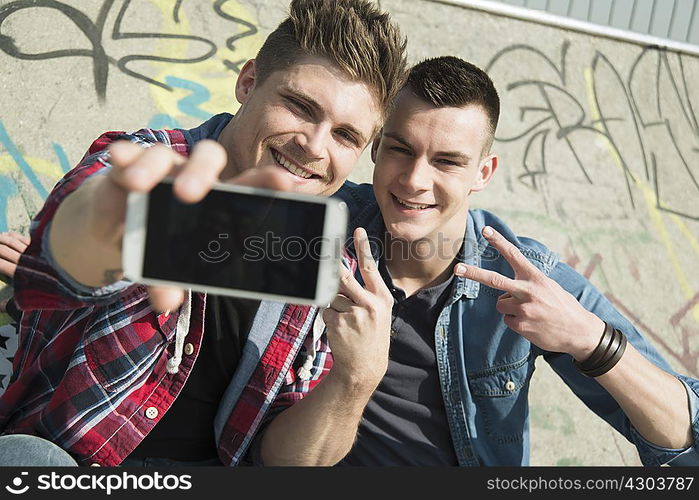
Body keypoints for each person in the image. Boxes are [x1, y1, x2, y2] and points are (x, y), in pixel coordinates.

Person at [0, 0, 407, 466]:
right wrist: (104, 222)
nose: (314, 146)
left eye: (345, 136)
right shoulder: (147, 162)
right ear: (248, 83)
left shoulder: (331, 265)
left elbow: (286, 465)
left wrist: (356, 378)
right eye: (299, 106)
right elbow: (72, 248)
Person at [252, 56, 699, 466]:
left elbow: (685, 441)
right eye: (400, 149)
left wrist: (589, 338)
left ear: (483, 173)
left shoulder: (525, 276)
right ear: (376, 146)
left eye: (447, 162)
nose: (413, 181)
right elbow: (226, 166)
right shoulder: (324, 220)